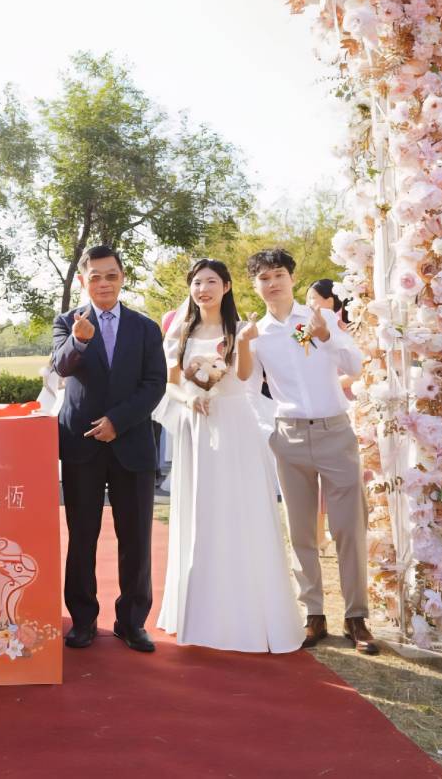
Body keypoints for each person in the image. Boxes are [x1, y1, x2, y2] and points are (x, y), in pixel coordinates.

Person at [155, 259, 302, 653]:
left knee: (240, 510)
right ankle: (199, 612)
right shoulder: (180, 332)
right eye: (197, 282)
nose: (203, 289)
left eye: (211, 282)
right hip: (197, 426)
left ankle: (248, 613)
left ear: (227, 286)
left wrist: (247, 343)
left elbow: (244, 377)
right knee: (202, 511)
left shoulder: (240, 329)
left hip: (235, 425)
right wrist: (189, 398)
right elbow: (170, 384)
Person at [246, 248, 378, 655]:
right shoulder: (257, 333)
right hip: (288, 437)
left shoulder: (319, 319)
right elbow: (250, 389)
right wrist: (269, 431)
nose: (273, 283)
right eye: (264, 278)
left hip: (335, 432)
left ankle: (356, 617)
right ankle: (313, 614)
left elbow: (355, 365)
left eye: (279, 275)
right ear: (255, 285)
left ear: (292, 278)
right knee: (301, 531)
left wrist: (326, 338)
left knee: (348, 527)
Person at [50, 245, 167, 654]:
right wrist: (79, 342)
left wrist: (118, 421)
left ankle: (131, 622)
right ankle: (83, 621)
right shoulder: (68, 321)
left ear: (122, 278)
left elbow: (154, 384)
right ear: (84, 280)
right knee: (82, 536)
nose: (103, 283)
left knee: (135, 538)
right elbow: (61, 366)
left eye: (111, 275)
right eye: (95, 276)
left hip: (131, 443)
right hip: (81, 445)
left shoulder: (145, 327)